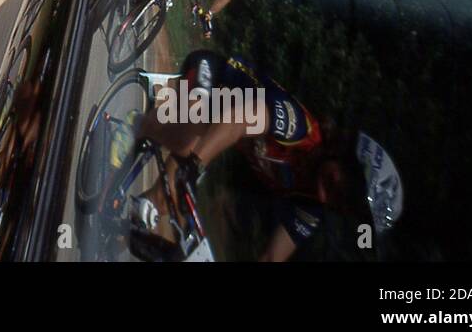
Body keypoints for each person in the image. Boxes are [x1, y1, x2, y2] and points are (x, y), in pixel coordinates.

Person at [136, 50, 404, 261]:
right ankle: (137, 125)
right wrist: (196, 164)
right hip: (215, 76)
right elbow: (238, 121)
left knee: (155, 209)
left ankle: (113, 209)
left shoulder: (310, 205)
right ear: (342, 154)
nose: (327, 197)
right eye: (338, 185)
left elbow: (273, 258)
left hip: (212, 126)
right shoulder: (300, 128)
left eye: (341, 203)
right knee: (190, 139)